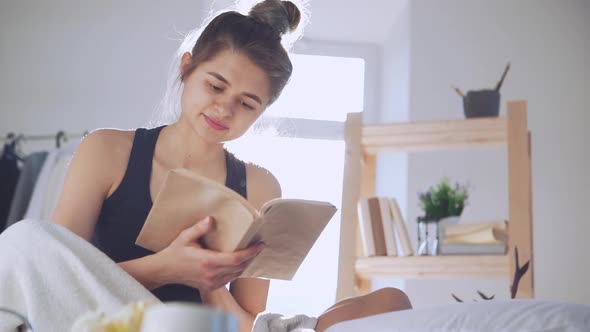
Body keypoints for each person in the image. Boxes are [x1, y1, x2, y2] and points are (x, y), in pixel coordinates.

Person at [50, 0, 413, 331]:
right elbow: (49, 283)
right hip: (107, 323)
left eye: (247, 104)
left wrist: (209, 283)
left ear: (263, 111)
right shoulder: (107, 151)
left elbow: (244, 323)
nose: (224, 109)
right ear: (187, 67)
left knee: (393, 301)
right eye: (216, 86)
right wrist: (167, 267)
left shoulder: (260, 187)